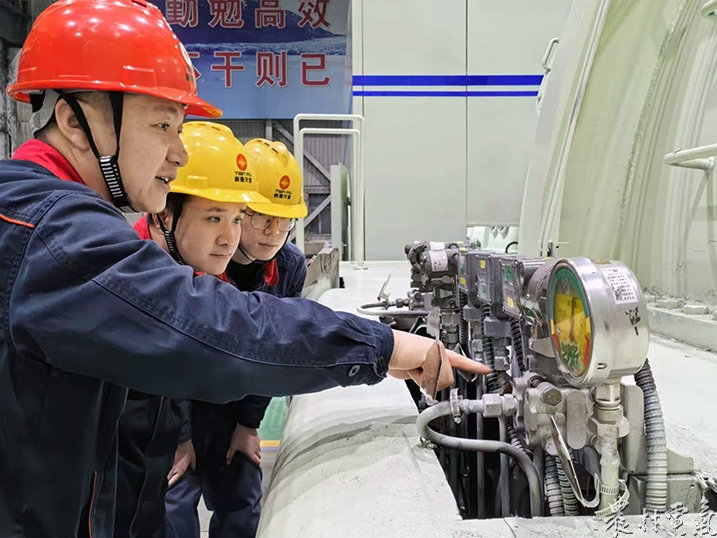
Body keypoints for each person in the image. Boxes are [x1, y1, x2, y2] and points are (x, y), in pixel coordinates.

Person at [0, 1, 489, 535]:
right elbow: (209, 326)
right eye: (162, 125)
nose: (178, 155)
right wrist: (381, 346)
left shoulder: (47, 217)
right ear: (76, 122)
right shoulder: (51, 235)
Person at [114, 122, 266, 537]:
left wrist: (248, 421)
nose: (229, 239)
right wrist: (177, 437)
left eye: (237, 219)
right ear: (165, 212)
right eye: (214, 217)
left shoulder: (209, 274)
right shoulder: (125, 281)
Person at [165, 137, 308, 538]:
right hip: (176, 400)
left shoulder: (289, 266)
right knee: (172, 507)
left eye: (285, 222)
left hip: (235, 400)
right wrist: (180, 435)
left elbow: (274, 351)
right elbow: (170, 354)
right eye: (261, 218)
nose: (274, 234)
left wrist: (249, 422)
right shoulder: (188, 257)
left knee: (243, 502)